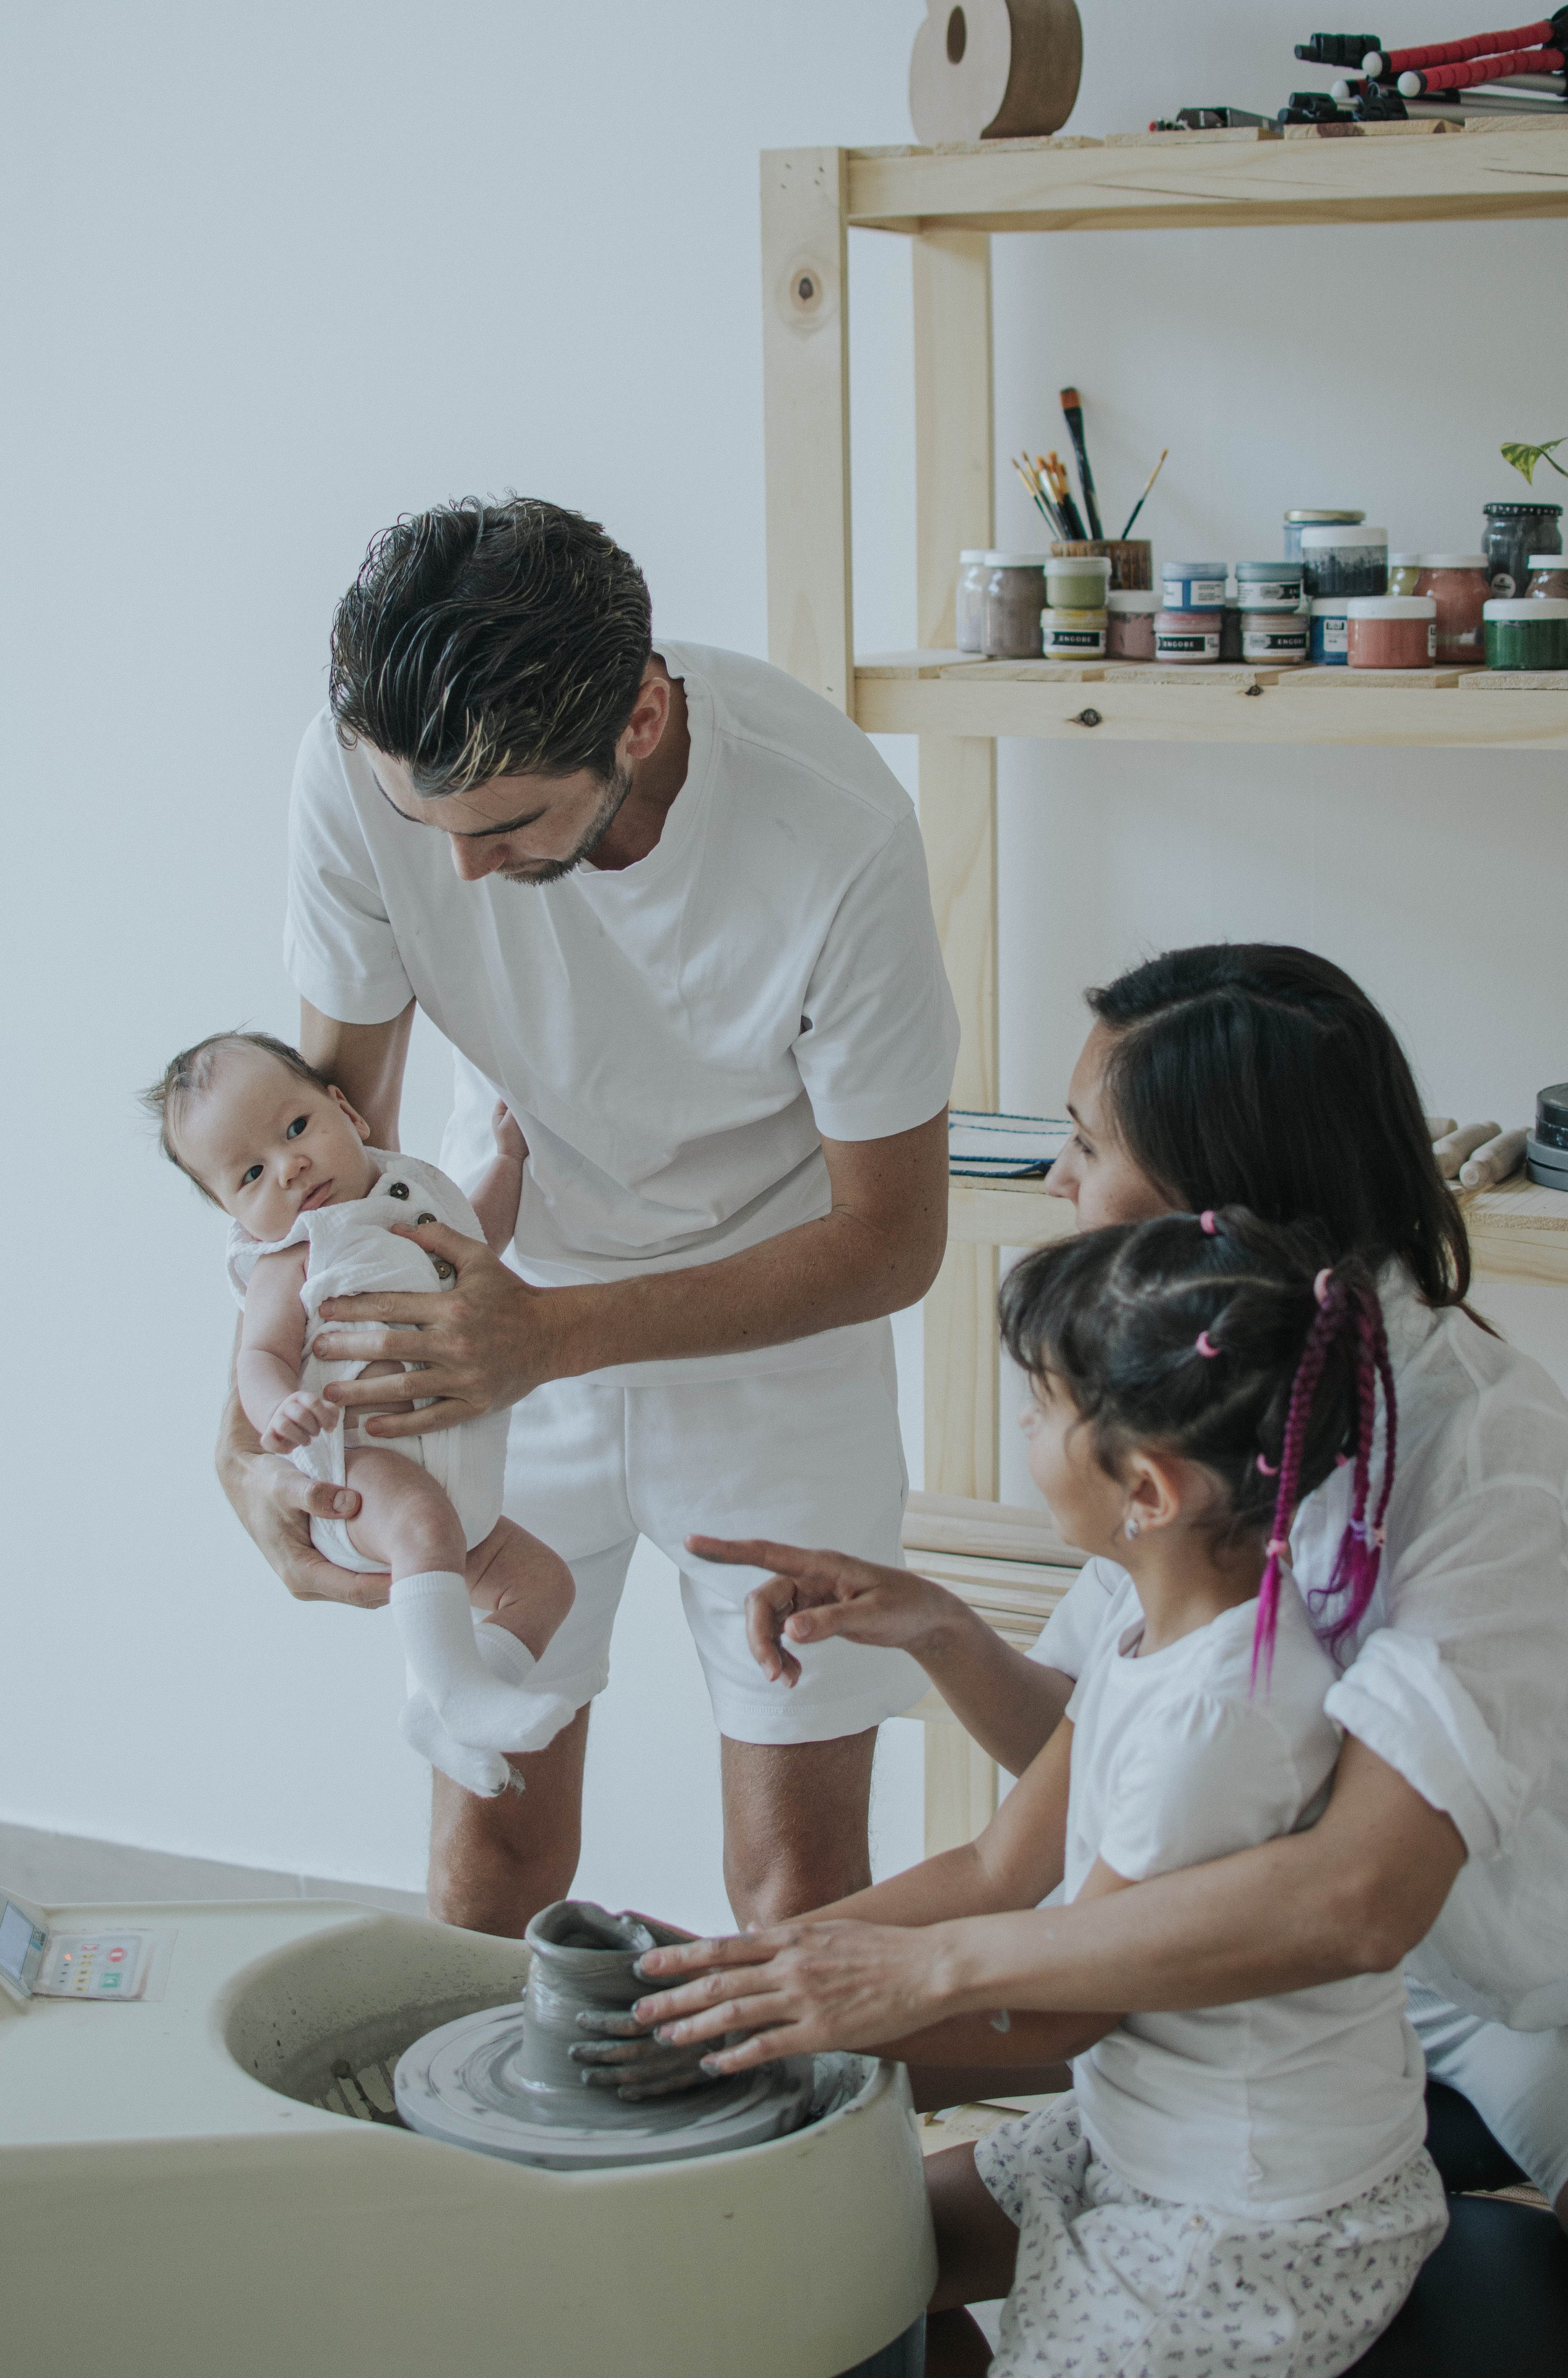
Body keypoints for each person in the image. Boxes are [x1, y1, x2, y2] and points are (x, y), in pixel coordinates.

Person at [631, 944, 1568, 2232]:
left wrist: (910, 1972)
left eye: (1084, 1142)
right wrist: (943, 1634)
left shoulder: (1484, 1455)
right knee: (827, 2185)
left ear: (1218, 1187)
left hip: (1503, 1999)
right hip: (1269, 1985)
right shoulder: (1187, 1413)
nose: (1055, 1179)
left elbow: (1360, 1897)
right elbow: (1109, 1763)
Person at [216, 494, 958, 1934]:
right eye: (424, 824)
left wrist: (551, 1334)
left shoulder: (834, 830)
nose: (459, 874)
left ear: (639, 717)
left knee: (795, 1881)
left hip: (771, 1331)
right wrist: (248, 1444)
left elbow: (891, 1237)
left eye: (502, 826)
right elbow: (323, 1158)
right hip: (484, 1290)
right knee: (487, 1848)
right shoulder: (364, 771)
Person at [640, 1209, 1449, 2377]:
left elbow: (1073, 2008)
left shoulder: (1220, 1716)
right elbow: (997, 1868)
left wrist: (779, 2011)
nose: (1023, 1423)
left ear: (1148, 1490)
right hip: (1133, 2135)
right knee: (832, 2257)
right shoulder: (1152, 1623)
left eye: (1046, 1406)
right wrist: (744, 1970)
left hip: (1255, 2216)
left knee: (856, 2251)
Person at [147, 1029, 575, 1799]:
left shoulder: (413, 1196)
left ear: (346, 1111)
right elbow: (260, 1357)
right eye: (251, 1174)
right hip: (360, 1479)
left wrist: (508, 1163)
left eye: (296, 1128)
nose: (289, 1166)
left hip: (457, 1496)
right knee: (423, 1525)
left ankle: (446, 1708)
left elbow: (479, 1241)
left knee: (543, 1585)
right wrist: (280, 1411)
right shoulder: (292, 1257)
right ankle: (459, 1693)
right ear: (231, 1212)